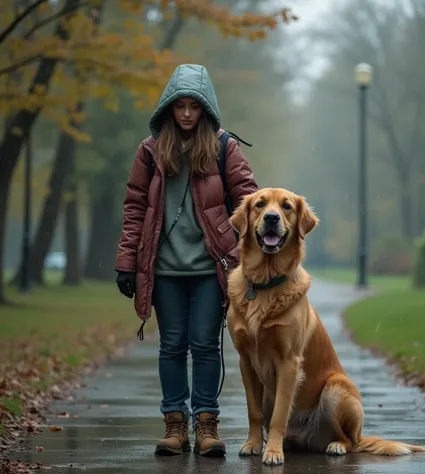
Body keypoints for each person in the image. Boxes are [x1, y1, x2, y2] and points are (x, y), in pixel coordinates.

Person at [114, 64, 258, 458]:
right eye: (180, 105)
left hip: (214, 269)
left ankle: (207, 427)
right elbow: (135, 208)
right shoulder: (149, 150)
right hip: (164, 269)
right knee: (173, 346)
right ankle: (174, 426)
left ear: (206, 107)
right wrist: (126, 261)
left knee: (207, 346)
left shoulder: (225, 147)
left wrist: (246, 258)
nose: (187, 114)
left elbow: (251, 203)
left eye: (195, 106)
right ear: (169, 107)